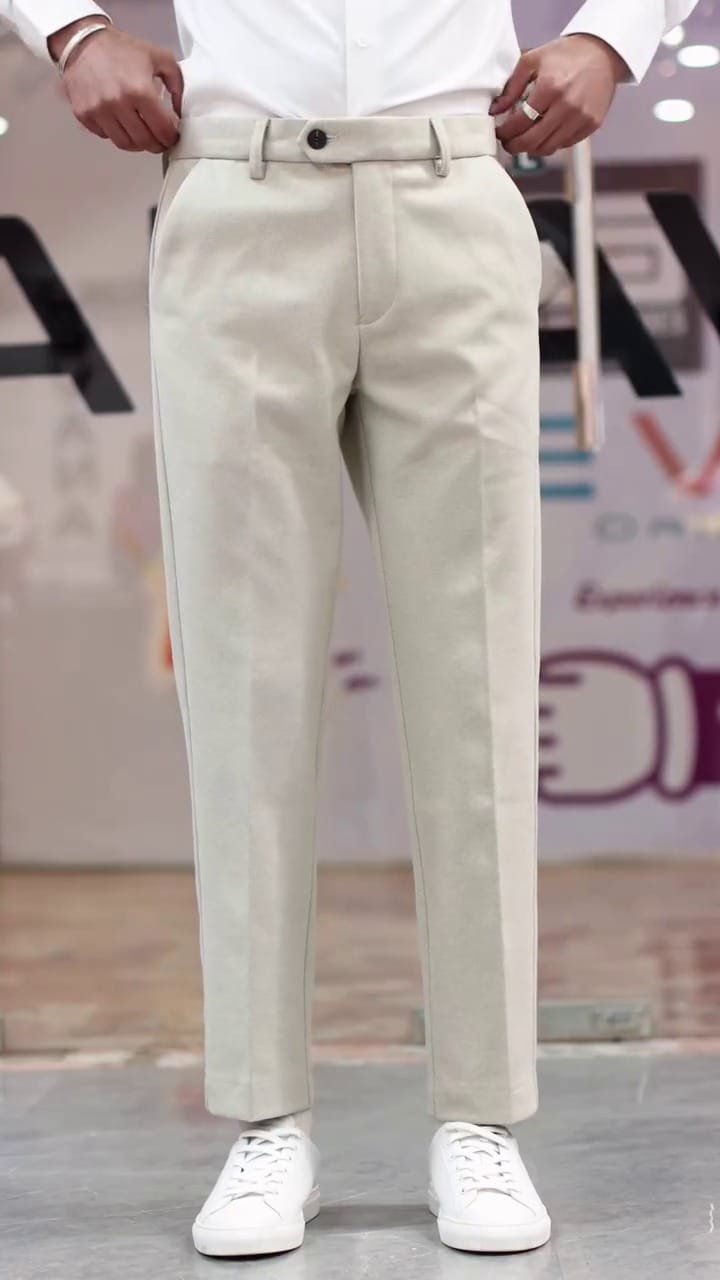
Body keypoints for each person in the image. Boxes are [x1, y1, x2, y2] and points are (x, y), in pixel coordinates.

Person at [3, 0, 698, 1260]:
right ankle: (265, 1116)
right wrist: (71, 29)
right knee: (244, 687)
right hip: (239, 187)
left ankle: (482, 1113)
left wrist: (612, 35)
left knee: (478, 690)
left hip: (453, 187)